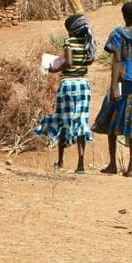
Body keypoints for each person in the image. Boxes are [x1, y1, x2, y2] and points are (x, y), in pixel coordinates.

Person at [92, 1, 132, 177]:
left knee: (113, 120)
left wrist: (114, 86)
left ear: (123, 14)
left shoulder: (117, 34)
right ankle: (130, 167)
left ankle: (113, 163)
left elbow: (117, 61)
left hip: (121, 80)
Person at [34, 14, 97, 174]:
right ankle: (81, 164)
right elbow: (88, 61)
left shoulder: (69, 42)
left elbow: (68, 62)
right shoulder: (88, 43)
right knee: (81, 122)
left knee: (63, 120)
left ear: (71, 30)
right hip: (83, 85)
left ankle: (61, 161)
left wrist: (53, 68)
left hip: (68, 84)